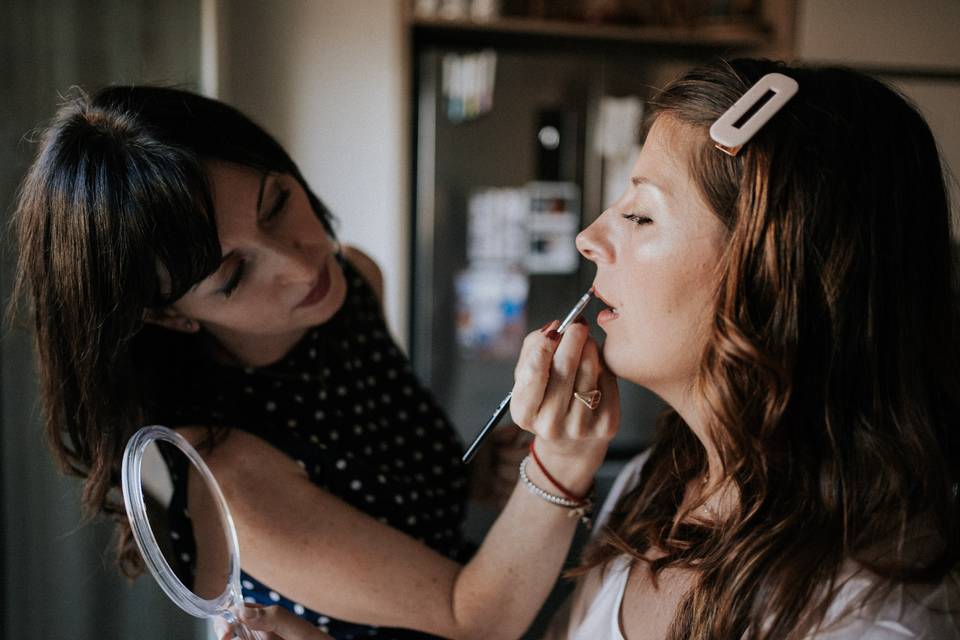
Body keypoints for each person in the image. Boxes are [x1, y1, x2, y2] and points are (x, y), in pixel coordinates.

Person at [11, 86, 618, 640]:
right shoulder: (225, 469)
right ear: (171, 316)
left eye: (276, 204)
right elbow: (475, 615)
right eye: (234, 274)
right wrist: (563, 462)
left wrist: (483, 476)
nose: (301, 265)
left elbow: (397, 508)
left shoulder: (354, 285)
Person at [540, 58, 960, 638]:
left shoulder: (871, 619)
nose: (588, 238)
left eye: (640, 215)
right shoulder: (649, 489)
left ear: (771, 272)